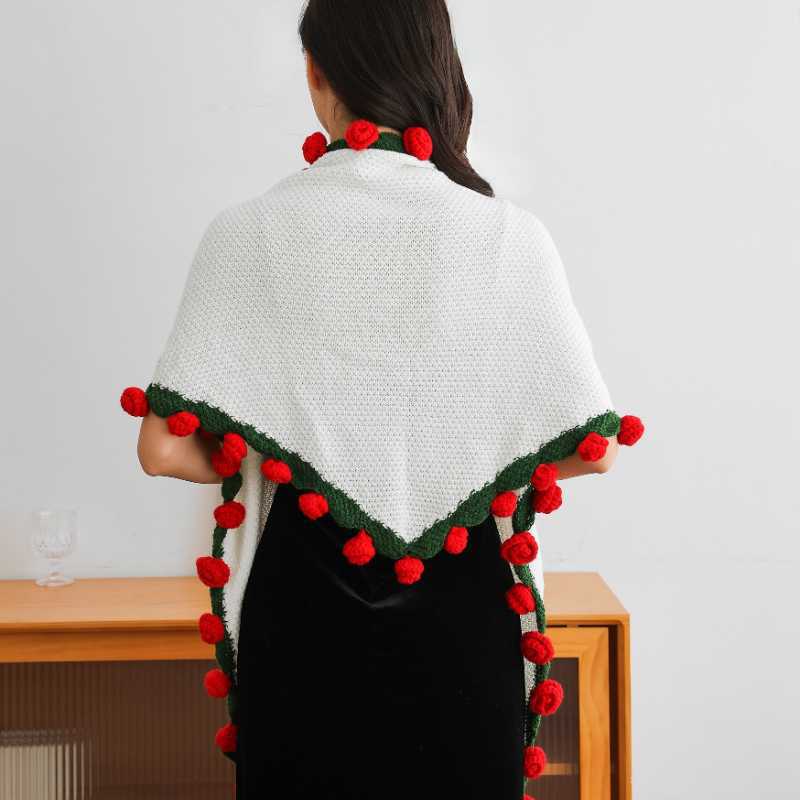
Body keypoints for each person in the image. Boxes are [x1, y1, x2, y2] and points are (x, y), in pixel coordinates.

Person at [120, 2, 644, 798]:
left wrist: (292, 452)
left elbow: (161, 448)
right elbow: (592, 451)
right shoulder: (508, 237)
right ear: (436, 67)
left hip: (303, 624)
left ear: (316, 73)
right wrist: (453, 462)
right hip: (466, 627)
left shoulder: (248, 233)